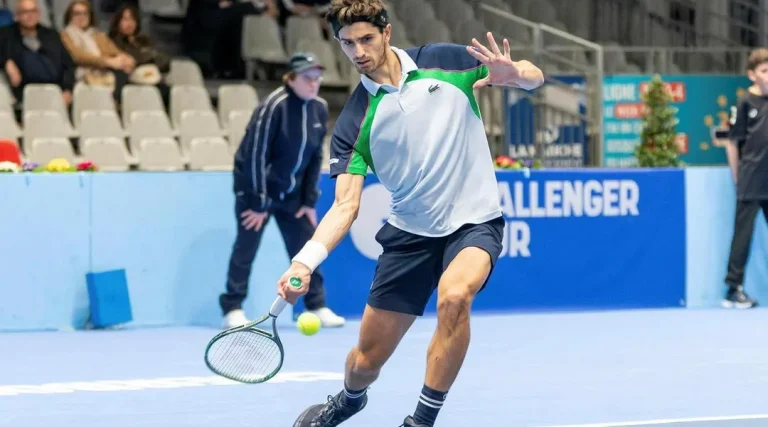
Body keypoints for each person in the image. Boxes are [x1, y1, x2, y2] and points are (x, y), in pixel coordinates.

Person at [276, 1, 544, 426]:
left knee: (455, 298)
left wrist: (518, 76)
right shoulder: (353, 122)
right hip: (409, 234)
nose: (358, 51)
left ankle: (420, 420)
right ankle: (348, 399)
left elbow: (531, 75)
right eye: (347, 44)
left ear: (386, 33)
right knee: (365, 362)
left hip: (474, 221)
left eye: (366, 39)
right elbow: (346, 205)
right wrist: (304, 261)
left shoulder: (445, 61)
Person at [219, 52, 346, 329]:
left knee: (308, 248)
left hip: (292, 197)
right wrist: (258, 203)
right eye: (307, 78)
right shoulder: (272, 106)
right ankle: (232, 307)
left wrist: (309, 200)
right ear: (291, 79)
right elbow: (255, 155)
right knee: (246, 248)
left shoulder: (319, 107)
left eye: (317, 78)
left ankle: (317, 305)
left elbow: (314, 157)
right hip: (255, 193)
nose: (314, 84)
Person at [716, 48, 768, 309]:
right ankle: (733, 289)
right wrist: (737, 176)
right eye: (765, 71)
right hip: (751, 179)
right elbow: (732, 143)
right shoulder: (744, 103)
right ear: (752, 75)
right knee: (743, 235)